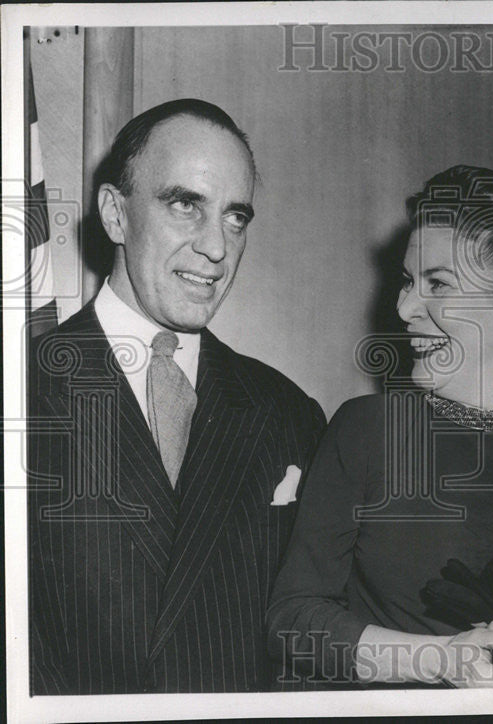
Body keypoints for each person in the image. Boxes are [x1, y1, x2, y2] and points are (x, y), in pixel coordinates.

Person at [28, 99, 326, 694]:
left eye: (235, 217)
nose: (217, 247)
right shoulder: (21, 393)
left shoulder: (289, 412)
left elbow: (306, 641)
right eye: (186, 205)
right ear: (115, 214)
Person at [267, 165, 493, 688]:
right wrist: (441, 659)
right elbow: (292, 622)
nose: (404, 307)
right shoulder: (369, 431)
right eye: (409, 280)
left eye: (438, 283)